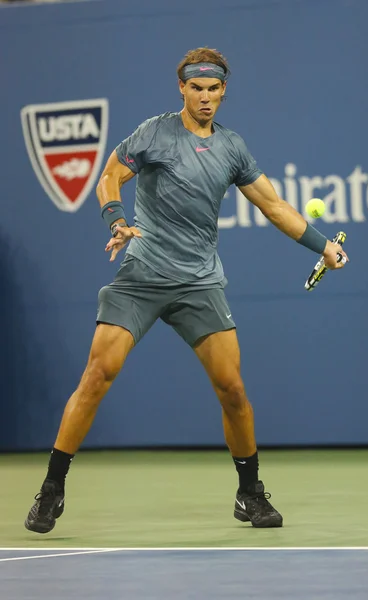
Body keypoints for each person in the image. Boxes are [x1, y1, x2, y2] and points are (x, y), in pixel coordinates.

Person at [25, 47, 348, 534]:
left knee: (233, 391)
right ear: (182, 88)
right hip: (143, 275)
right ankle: (52, 489)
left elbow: (274, 206)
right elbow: (110, 176)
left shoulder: (232, 147)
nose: (203, 97)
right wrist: (116, 219)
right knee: (97, 375)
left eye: (212, 89)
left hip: (200, 282)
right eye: (195, 88)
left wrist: (322, 246)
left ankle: (250, 493)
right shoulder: (154, 132)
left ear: (223, 91)